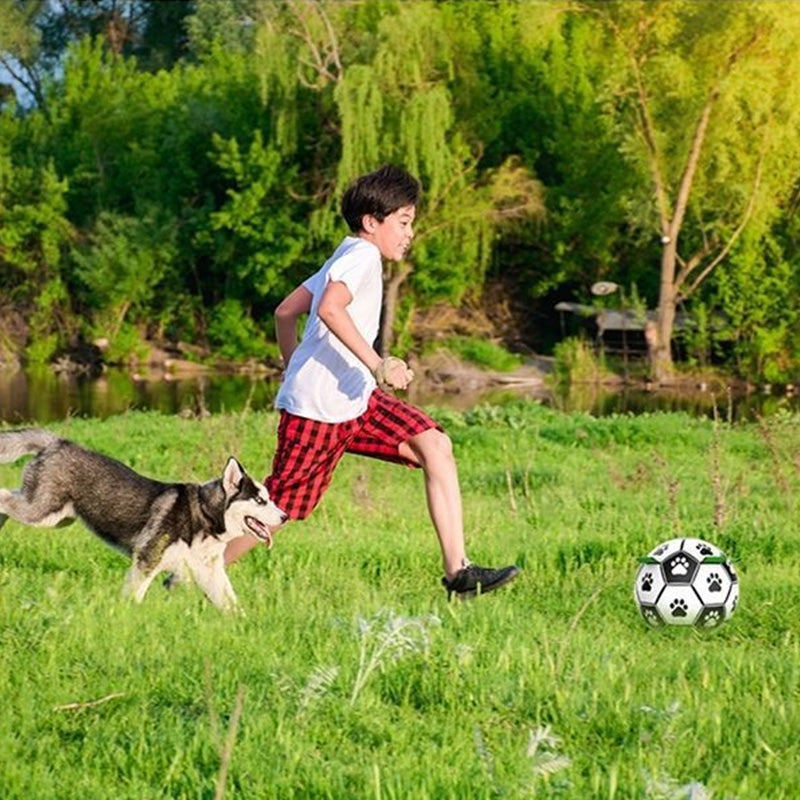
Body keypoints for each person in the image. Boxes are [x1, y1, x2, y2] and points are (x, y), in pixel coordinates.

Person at [224, 164, 519, 598]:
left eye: (411, 223)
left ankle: (459, 574)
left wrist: (293, 367)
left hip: (354, 401)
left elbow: (285, 312)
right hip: (319, 410)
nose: (410, 233)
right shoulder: (360, 256)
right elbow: (329, 309)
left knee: (434, 445)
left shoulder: (344, 255)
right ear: (371, 222)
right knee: (281, 508)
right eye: (403, 222)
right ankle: (194, 566)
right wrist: (378, 364)